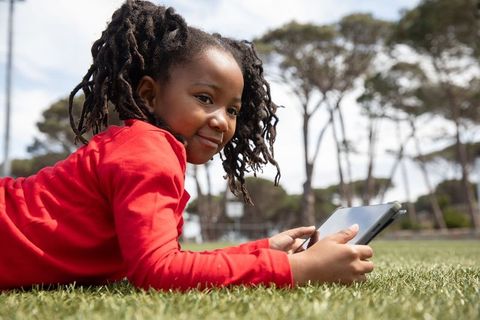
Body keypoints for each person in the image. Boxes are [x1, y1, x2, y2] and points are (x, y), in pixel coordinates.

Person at [0, 0, 373, 291]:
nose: (221, 120)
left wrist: (262, 250)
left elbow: (167, 259)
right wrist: (296, 270)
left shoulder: (148, 148)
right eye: (205, 98)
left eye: (233, 110)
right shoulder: (147, 153)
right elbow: (157, 272)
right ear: (149, 94)